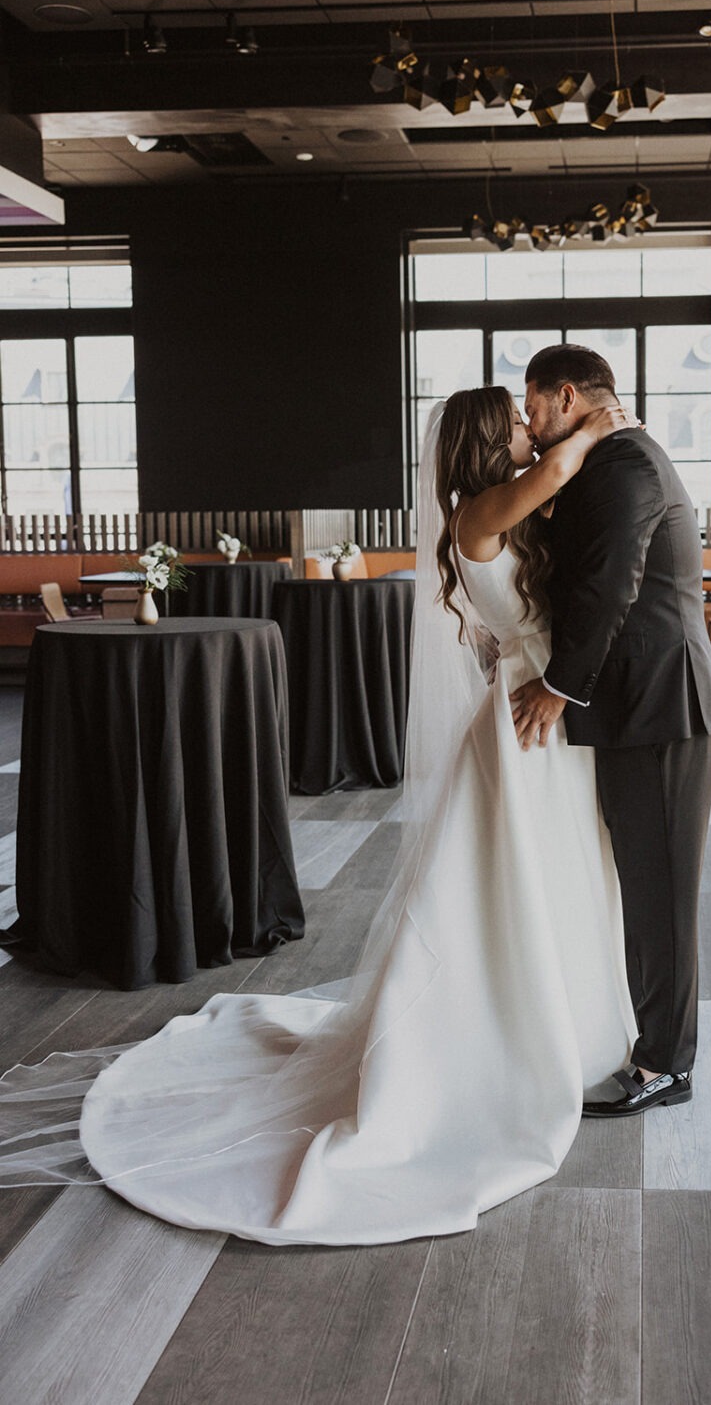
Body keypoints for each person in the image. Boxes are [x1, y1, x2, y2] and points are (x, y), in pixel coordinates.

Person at [0, 386, 638, 1247]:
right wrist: (605, 420)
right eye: (519, 420)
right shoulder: (481, 512)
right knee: (510, 890)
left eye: (537, 416)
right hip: (526, 724)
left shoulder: (508, 512)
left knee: (552, 879)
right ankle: (502, 1047)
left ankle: (566, 1022)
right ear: (491, 440)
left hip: (542, 717)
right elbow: (562, 462)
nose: (533, 428)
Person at [511, 344, 711, 1119]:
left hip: (664, 706)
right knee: (642, 885)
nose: (529, 423)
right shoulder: (601, 460)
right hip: (637, 707)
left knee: (663, 895)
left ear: (566, 395)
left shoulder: (627, 463)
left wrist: (558, 686)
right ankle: (650, 1042)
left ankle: (668, 1064)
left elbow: (611, 585)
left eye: (533, 406)